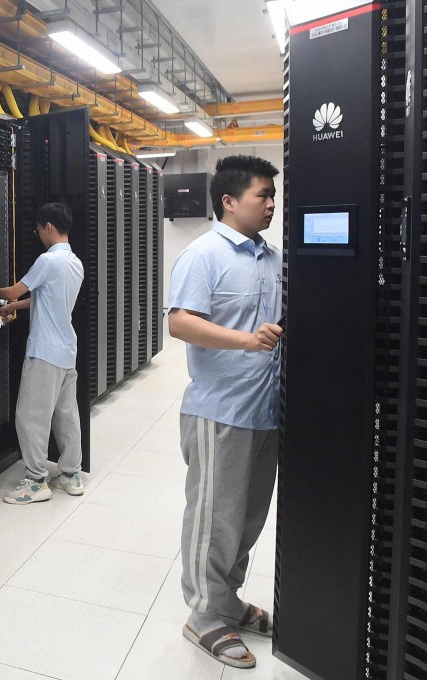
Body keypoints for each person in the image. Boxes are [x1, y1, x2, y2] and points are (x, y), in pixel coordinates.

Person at [167, 155, 283, 669]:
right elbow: (180, 324)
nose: (272, 204)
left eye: (273, 195)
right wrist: (245, 341)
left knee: (249, 517)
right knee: (214, 518)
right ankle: (203, 614)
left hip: (266, 411)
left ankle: (227, 598)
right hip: (220, 412)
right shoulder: (203, 255)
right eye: (263, 195)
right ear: (230, 201)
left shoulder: (274, 258)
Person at [0, 202, 85, 505]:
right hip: (66, 350)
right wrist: (14, 308)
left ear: (48, 226)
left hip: (44, 352)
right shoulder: (74, 263)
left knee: (30, 417)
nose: (38, 234)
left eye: (39, 229)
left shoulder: (48, 261)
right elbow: (44, 299)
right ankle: (71, 474)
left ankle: (35, 481)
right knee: (66, 416)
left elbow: (13, 290)